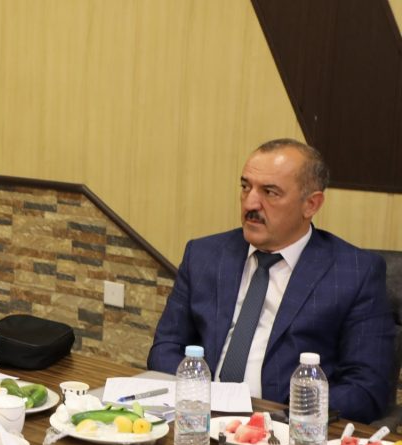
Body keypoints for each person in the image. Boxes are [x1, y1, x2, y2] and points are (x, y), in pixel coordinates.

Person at [148, 138, 395, 423]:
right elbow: (165, 348)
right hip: (199, 419)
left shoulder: (355, 272)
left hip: (288, 429)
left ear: (311, 204)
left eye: (270, 192)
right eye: (246, 187)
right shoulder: (204, 255)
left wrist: (286, 413)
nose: (250, 203)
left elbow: (367, 388)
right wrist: (202, 397)